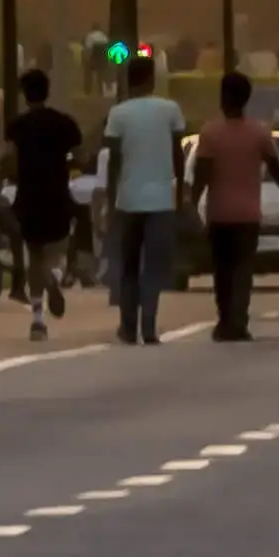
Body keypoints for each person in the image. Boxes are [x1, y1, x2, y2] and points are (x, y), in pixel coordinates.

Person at [97, 53, 189, 345]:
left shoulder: (118, 114)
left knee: (128, 266)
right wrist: (180, 187)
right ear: (151, 79)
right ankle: (149, 326)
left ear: (128, 80)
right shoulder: (170, 110)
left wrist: (111, 200)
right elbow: (178, 153)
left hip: (128, 199)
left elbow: (113, 159)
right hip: (161, 200)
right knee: (154, 267)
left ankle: (128, 326)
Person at [199, 69, 277, 340]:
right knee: (243, 270)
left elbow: (202, 173)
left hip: (219, 214)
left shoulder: (210, 133)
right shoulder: (259, 132)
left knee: (222, 270)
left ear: (223, 98)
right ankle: (238, 321)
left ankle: (225, 321)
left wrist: (189, 200)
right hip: (248, 215)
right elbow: (275, 165)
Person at [8, 80, 85, 334]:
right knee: (57, 243)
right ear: (47, 92)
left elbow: (9, 157)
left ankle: (38, 320)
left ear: (25, 96)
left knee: (34, 251)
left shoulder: (18, 126)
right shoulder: (64, 123)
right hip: (56, 193)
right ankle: (51, 276)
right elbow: (81, 155)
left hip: (29, 194)